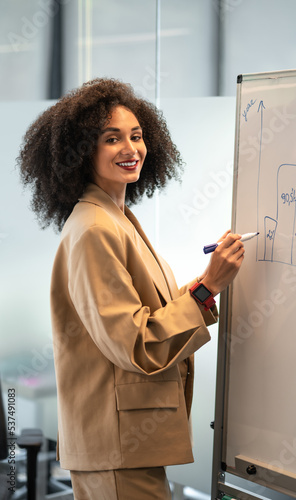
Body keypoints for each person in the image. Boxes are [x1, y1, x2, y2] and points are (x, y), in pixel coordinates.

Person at [18, 78, 245, 500]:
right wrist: (209, 285)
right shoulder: (95, 229)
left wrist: (202, 285)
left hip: (124, 445)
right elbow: (136, 343)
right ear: (83, 151)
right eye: (112, 139)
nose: (131, 149)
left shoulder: (115, 217)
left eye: (137, 136)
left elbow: (141, 309)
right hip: (118, 447)